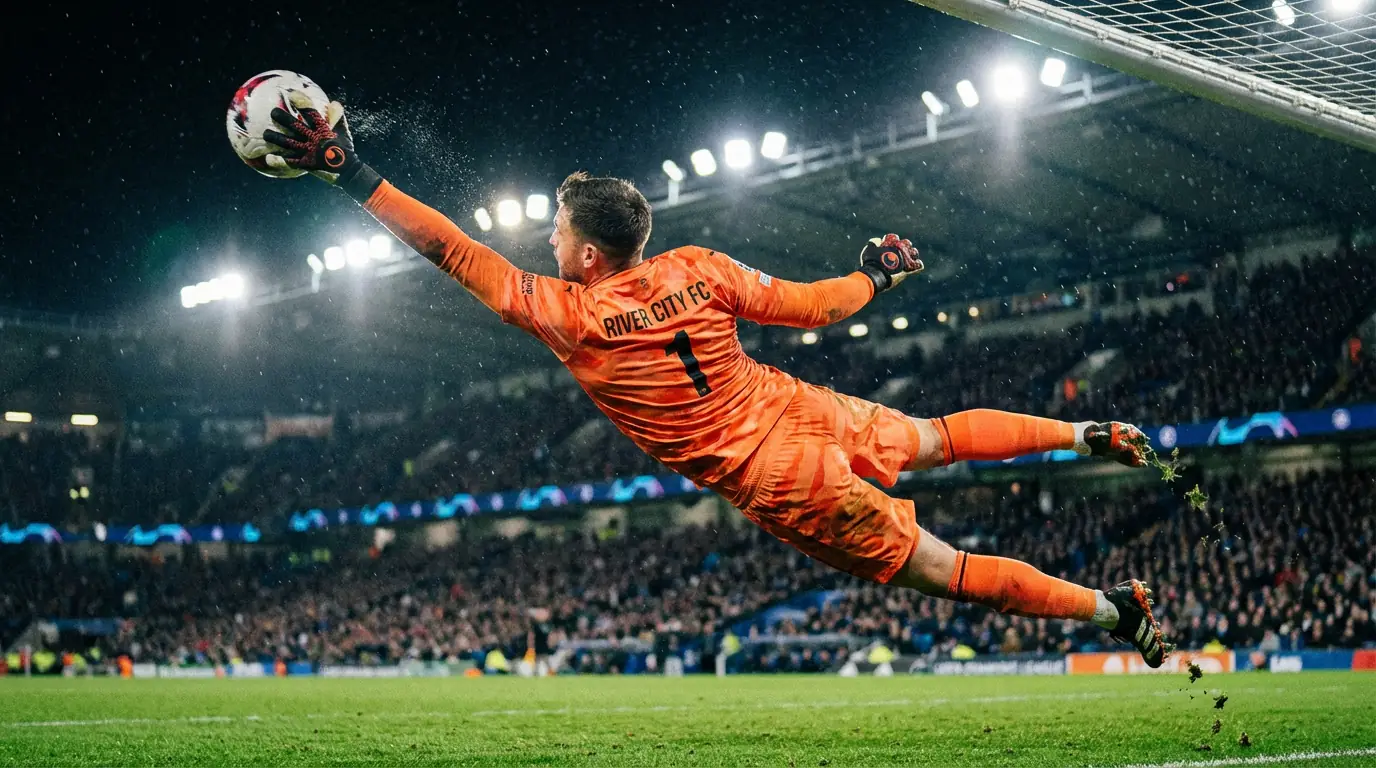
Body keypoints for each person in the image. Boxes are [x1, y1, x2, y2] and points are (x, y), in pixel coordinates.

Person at [259, 95, 1169, 667]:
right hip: (794, 404)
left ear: (584, 250)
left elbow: (452, 249)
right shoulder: (700, 265)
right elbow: (818, 305)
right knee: (933, 435)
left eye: (557, 233)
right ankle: (1079, 433)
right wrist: (878, 277)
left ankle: (1108, 610)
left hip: (773, 473)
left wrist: (353, 174)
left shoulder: (566, 314)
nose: (547, 243)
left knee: (943, 567)